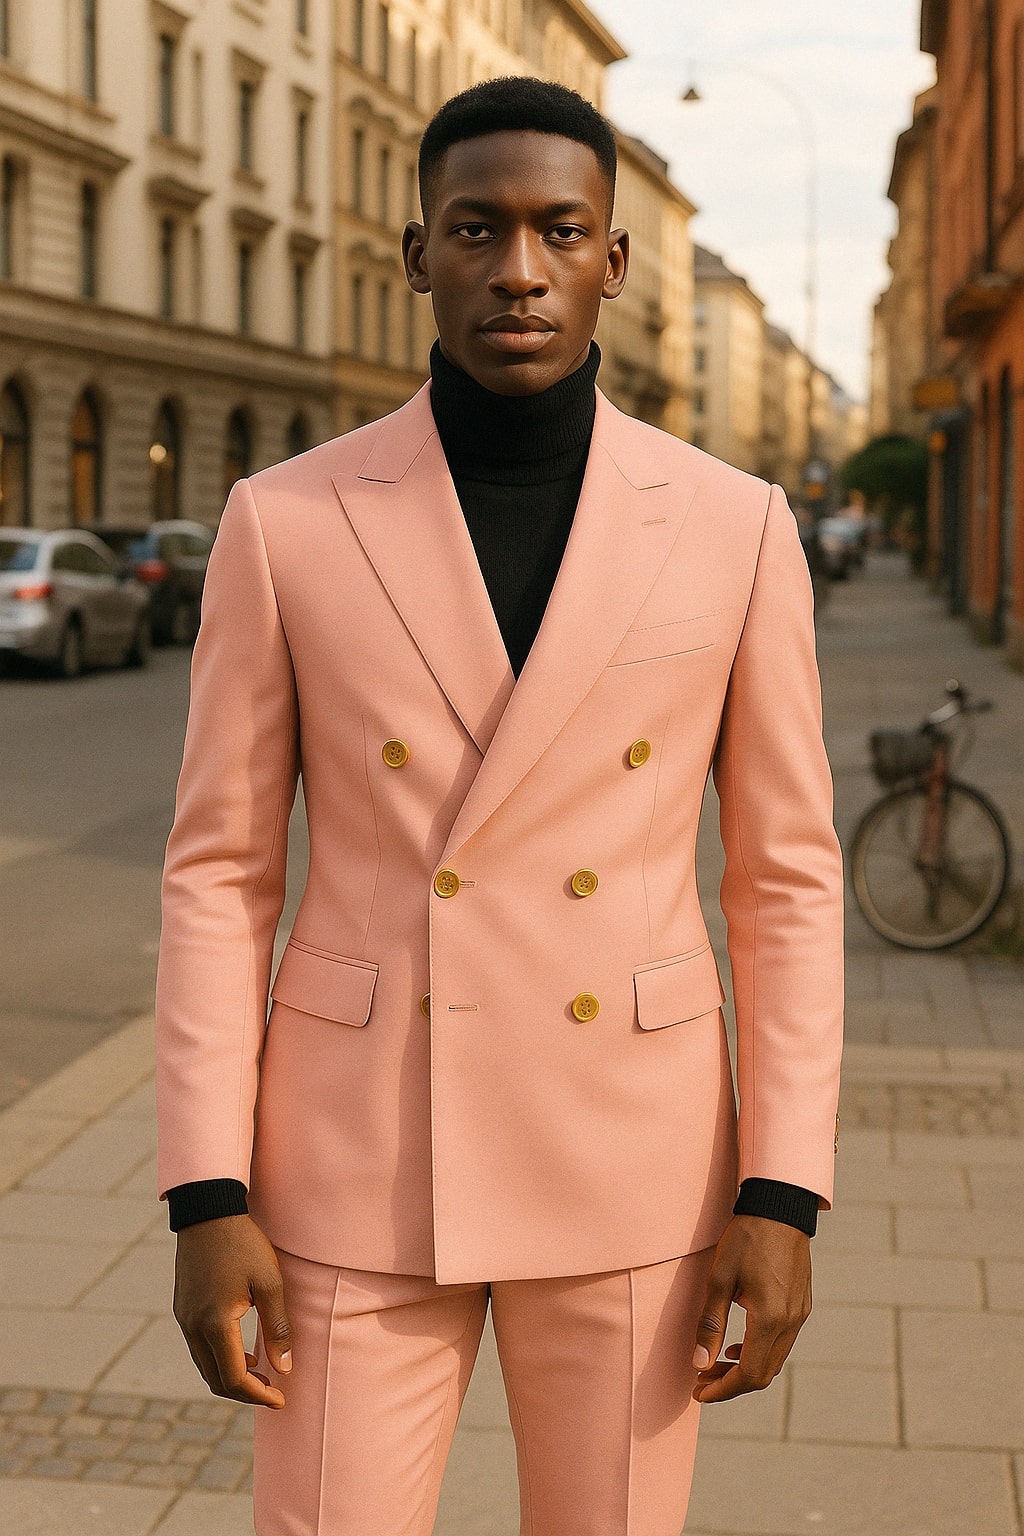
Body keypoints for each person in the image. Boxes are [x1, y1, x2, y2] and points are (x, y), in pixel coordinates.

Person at [156, 76, 844, 1536]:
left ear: (614, 260)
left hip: (631, 1155)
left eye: (560, 230)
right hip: (352, 1155)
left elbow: (784, 879)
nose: (518, 269)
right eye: (476, 229)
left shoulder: (733, 525)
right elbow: (220, 874)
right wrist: (206, 1190)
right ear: (419, 253)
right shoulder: (288, 520)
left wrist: (783, 1192)